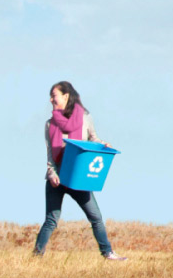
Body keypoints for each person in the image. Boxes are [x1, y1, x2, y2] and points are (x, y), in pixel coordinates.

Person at [35, 81, 123, 260]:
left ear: (66, 96)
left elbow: (93, 139)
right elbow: (50, 155)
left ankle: (108, 253)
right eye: (51, 96)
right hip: (57, 179)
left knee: (95, 217)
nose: (51, 99)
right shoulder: (49, 124)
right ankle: (36, 256)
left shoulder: (84, 118)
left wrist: (103, 145)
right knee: (51, 220)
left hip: (78, 177)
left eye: (54, 95)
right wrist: (52, 174)